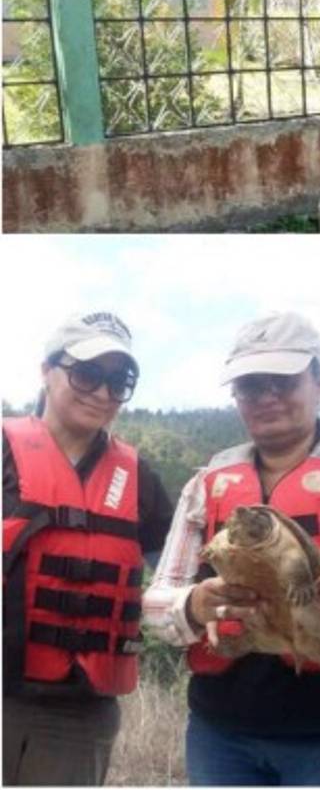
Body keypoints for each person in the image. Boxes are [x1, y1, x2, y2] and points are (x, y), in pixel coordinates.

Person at [142, 313, 320, 786]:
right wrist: (195, 604)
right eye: (249, 386)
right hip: (222, 737)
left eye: (282, 381)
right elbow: (158, 601)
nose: (266, 397)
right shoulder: (207, 482)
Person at [3, 312, 173, 786]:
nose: (101, 393)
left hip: (77, 718)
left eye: (119, 382)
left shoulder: (140, 480)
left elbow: (178, 575)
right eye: (86, 374)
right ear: (46, 370)